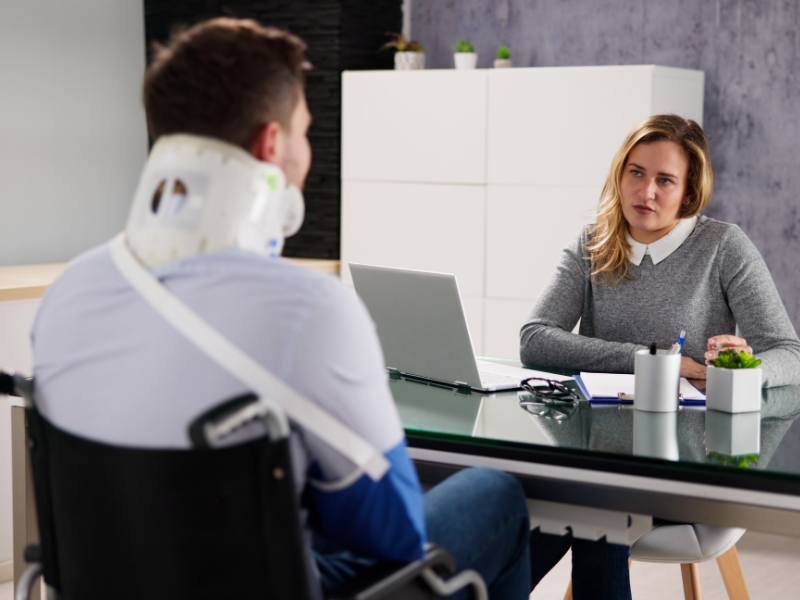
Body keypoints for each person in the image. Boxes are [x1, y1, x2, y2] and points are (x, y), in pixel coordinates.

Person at [32, 18, 630, 599]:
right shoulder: (307, 309)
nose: (306, 152)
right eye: (304, 132)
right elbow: (392, 532)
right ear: (272, 144)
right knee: (494, 493)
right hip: (272, 581)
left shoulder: (67, 294)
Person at [521, 114, 800, 388]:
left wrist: (741, 372)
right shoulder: (590, 242)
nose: (646, 192)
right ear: (620, 175)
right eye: (636, 173)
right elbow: (534, 339)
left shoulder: (724, 245)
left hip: (691, 430)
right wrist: (653, 361)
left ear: (688, 193)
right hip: (597, 430)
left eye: (665, 180)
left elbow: (789, 355)